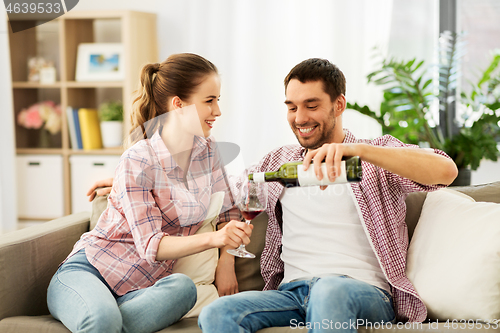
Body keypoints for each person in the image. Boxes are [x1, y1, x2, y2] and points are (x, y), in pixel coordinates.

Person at [197, 58, 458, 333]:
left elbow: (446, 171)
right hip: (291, 294)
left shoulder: (375, 154)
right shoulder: (278, 161)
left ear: (339, 104)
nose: (300, 118)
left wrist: (359, 151)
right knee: (217, 313)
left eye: (311, 106)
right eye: (292, 107)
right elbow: (229, 195)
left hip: (362, 292)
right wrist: (226, 257)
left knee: (329, 291)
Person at [47, 53, 252, 333]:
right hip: (91, 272)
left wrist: (227, 260)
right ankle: (103, 317)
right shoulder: (138, 159)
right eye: (209, 101)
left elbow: (230, 214)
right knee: (103, 321)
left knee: (184, 288)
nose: (217, 111)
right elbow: (151, 246)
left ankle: (107, 319)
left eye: (218, 100)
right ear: (178, 105)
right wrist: (214, 238)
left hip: (141, 291)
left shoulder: (208, 153)